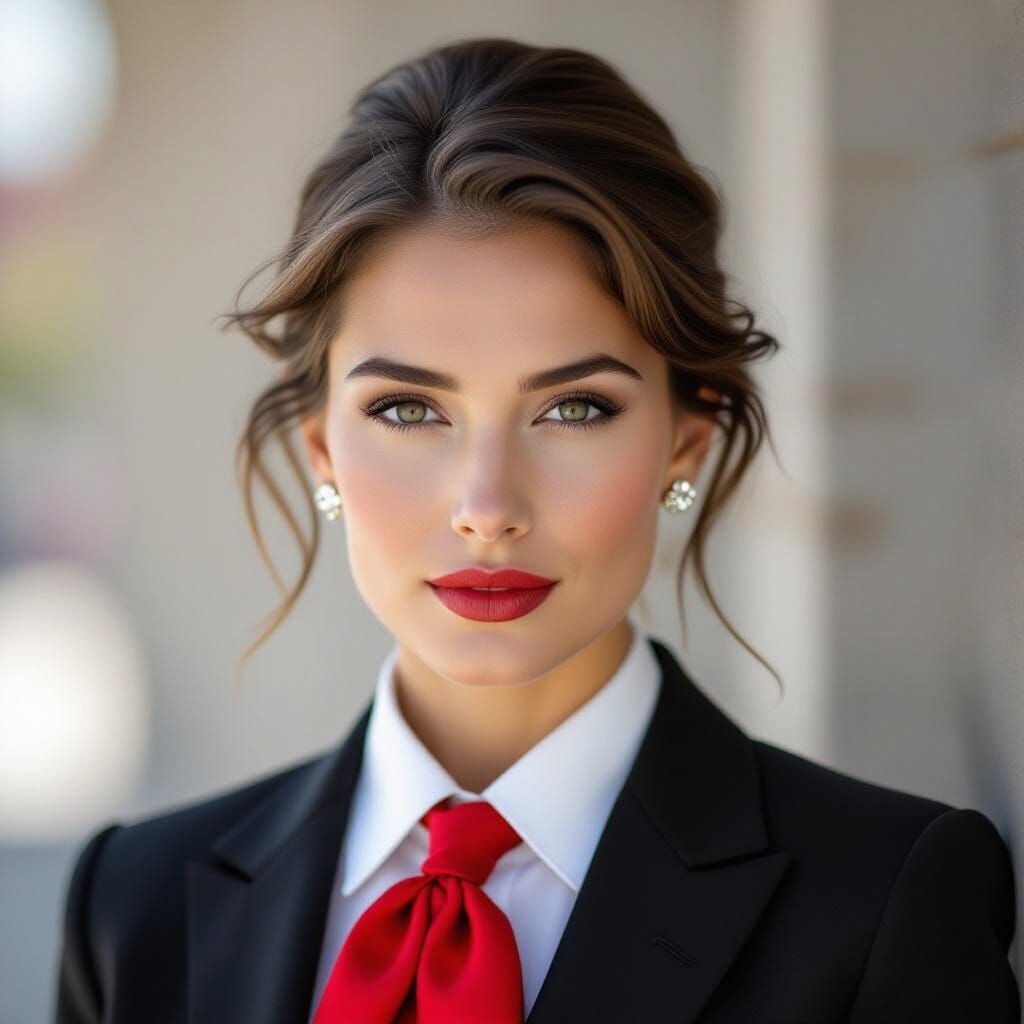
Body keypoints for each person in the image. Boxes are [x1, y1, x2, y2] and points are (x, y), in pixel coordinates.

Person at [53, 37, 1018, 1024]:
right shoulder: (133, 904)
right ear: (321, 452)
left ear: (685, 443)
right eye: (407, 409)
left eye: (575, 409)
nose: (486, 504)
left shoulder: (883, 903)